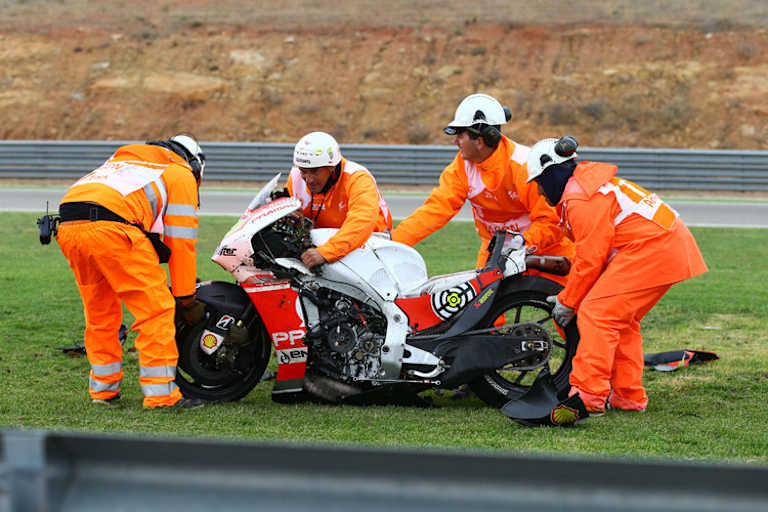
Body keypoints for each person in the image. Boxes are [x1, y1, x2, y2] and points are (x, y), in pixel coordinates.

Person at [526, 136, 708, 414]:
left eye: (539, 182)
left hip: (654, 248)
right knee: (620, 320)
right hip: (663, 245)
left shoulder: (581, 198)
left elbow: (591, 259)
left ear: (552, 172)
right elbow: (592, 256)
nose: (539, 191)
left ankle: (588, 395)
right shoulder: (585, 187)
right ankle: (628, 397)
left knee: (597, 313)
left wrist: (568, 301)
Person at [56, 134, 207, 409]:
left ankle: (103, 390)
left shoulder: (124, 162)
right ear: (193, 164)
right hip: (112, 227)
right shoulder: (178, 171)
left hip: (68, 226)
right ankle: (161, 395)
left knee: (100, 312)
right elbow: (181, 242)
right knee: (156, 310)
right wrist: (186, 297)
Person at [390, 93, 574, 284]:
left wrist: (520, 242)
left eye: (460, 135)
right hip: (495, 251)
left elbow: (551, 222)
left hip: (551, 251)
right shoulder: (461, 168)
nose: (455, 142)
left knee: (570, 309)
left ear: (480, 140)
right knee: (482, 312)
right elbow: (435, 210)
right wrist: (393, 242)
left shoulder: (524, 166)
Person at [287, 131, 392, 267]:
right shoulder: (295, 176)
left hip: (373, 245)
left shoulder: (357, 178)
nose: (309, 179)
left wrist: (327, 252)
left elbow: (362, 221)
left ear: (332, 168)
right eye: (303, 171)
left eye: (315, 171)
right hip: (327, 244)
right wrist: (295, 220)